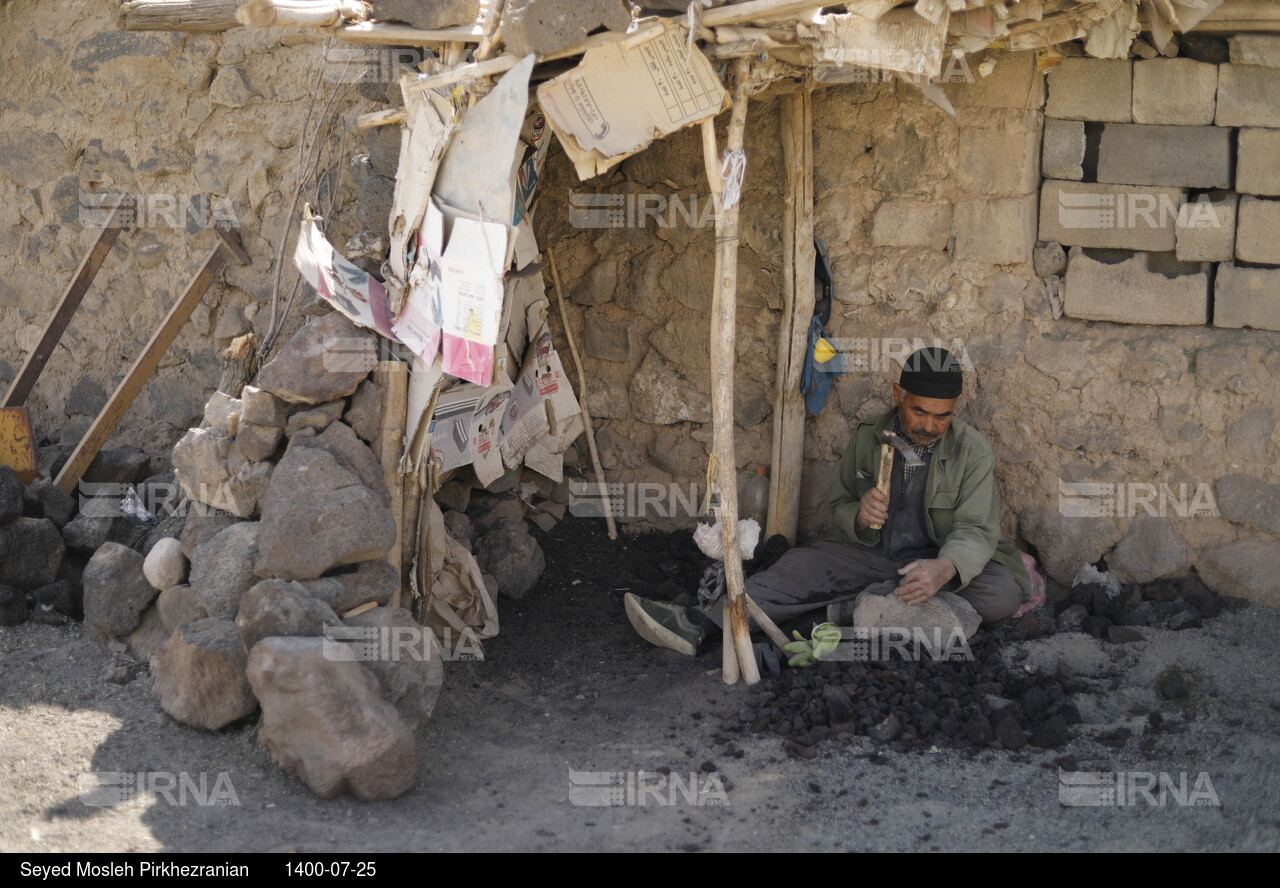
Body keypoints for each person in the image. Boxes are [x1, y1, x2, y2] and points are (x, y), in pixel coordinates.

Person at [625, 347, 1031, 656]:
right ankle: (697, 623)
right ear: (898, 395)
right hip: (871, 557)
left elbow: (976, 530)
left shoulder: (972, 451)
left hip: (934, 559)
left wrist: (945, 567)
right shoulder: (868, 436)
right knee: (799, 566)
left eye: (942, 417)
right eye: (920, 412)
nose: (929, 426)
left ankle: (843, 610)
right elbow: (838, 506)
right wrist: (859, 516)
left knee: (1001, 593)